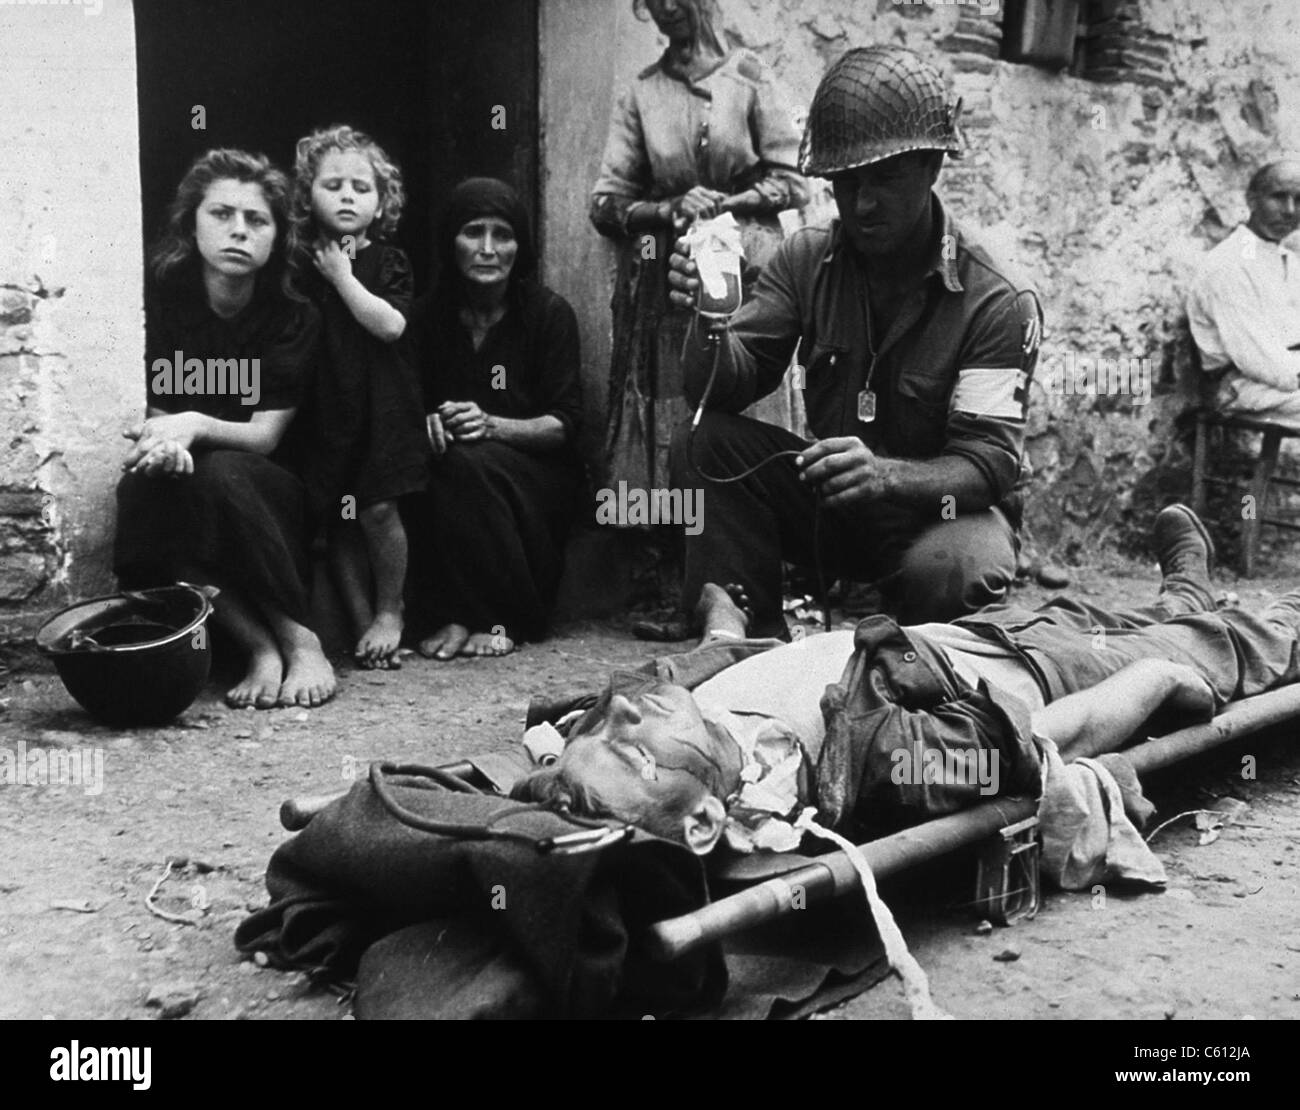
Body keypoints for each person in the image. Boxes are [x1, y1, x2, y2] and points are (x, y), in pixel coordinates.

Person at [512, 504, 1296, 855]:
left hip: (967, 634)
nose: (621, 712)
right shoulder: (874, 762)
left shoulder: (686, 712)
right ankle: (1196, 619)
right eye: (632, 751)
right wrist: (1158, 682)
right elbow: (1035, 743)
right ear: (705, 823)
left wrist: (720, 625)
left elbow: (701, 664)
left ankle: (1184, 593)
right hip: (1045, 670)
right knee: (1236, 644)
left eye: (600, 724)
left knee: (1095, 608)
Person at [664, 45, 1044, 638]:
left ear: (932, 167)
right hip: (835, 507)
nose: (862, 205)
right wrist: (707, 323)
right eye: (845, 183)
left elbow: (989, 463)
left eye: (885, 180)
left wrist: (886, 476)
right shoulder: (807, 257)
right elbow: (721, 392)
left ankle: (922, 670)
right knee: (704, 447)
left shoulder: (996, 298)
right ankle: (745, 644)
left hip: (942, 517)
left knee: (951, 567)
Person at [114, 149, 335, 709]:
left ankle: (301, 639)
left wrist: (192, 424)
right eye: (221, 214)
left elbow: (265, 437)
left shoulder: (293, 314)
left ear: (277, 236)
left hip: (276, 490)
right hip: (195, 473)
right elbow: (161, 409)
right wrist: (164, 444)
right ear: (192, 222)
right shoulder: (162, 300)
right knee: (150, 488)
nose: (239, 230)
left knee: (221, 473)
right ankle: (259, 644)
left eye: (257, 220)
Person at [590, 0, 808, 493]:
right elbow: (605, 204)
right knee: (673, 391)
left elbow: (795, 182)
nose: (666, 7)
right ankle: (667, 536)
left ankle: (759, 514)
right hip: (668, 269)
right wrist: (669, 208)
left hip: (749, 259)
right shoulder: (643, 92)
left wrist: (727, 201)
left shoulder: (750, 76)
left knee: (747, 375)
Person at [407, 178, 585, 660]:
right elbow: (404, 405)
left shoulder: (549, 315)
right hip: (453, 474)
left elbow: (564, 425)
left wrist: (491, 425)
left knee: (469, 465)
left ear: (519, 246)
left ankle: (503, 616)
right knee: (439, 468)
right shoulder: (425, 320)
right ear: (451, 242)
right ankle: (457, 614)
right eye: (473, 232)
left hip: (538, 478)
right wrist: (425, 421)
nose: (488, 249)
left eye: (502, 235)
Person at [293, 125, 428, 670]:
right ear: (307, 197)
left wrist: (344, 277)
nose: (348, 196)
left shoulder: (388, 261)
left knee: (376, 509)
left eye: (361, 187)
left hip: (382, 407)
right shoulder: (299, 262)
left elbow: (391, 325)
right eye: (333, 185)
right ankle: (358, 621)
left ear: (381, 203)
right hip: (326, 408)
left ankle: (390, 611)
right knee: (336, 516)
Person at [1187, 158, 1300, 428]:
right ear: (1252, 200)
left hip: (1282, 380)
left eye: (1299, 200)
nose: (1290, 210)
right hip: (1242, 388)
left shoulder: (1289, 260)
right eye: (1278, 197)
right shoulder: (1228, 265)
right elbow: (1256, 357)